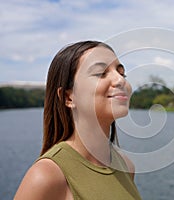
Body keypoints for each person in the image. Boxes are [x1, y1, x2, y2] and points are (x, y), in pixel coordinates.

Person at [14, 41, 142, 200]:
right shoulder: (47, 176)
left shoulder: (126, 166)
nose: (120, 80)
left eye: (122, 73)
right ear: (69, 97)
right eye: (101, 73)